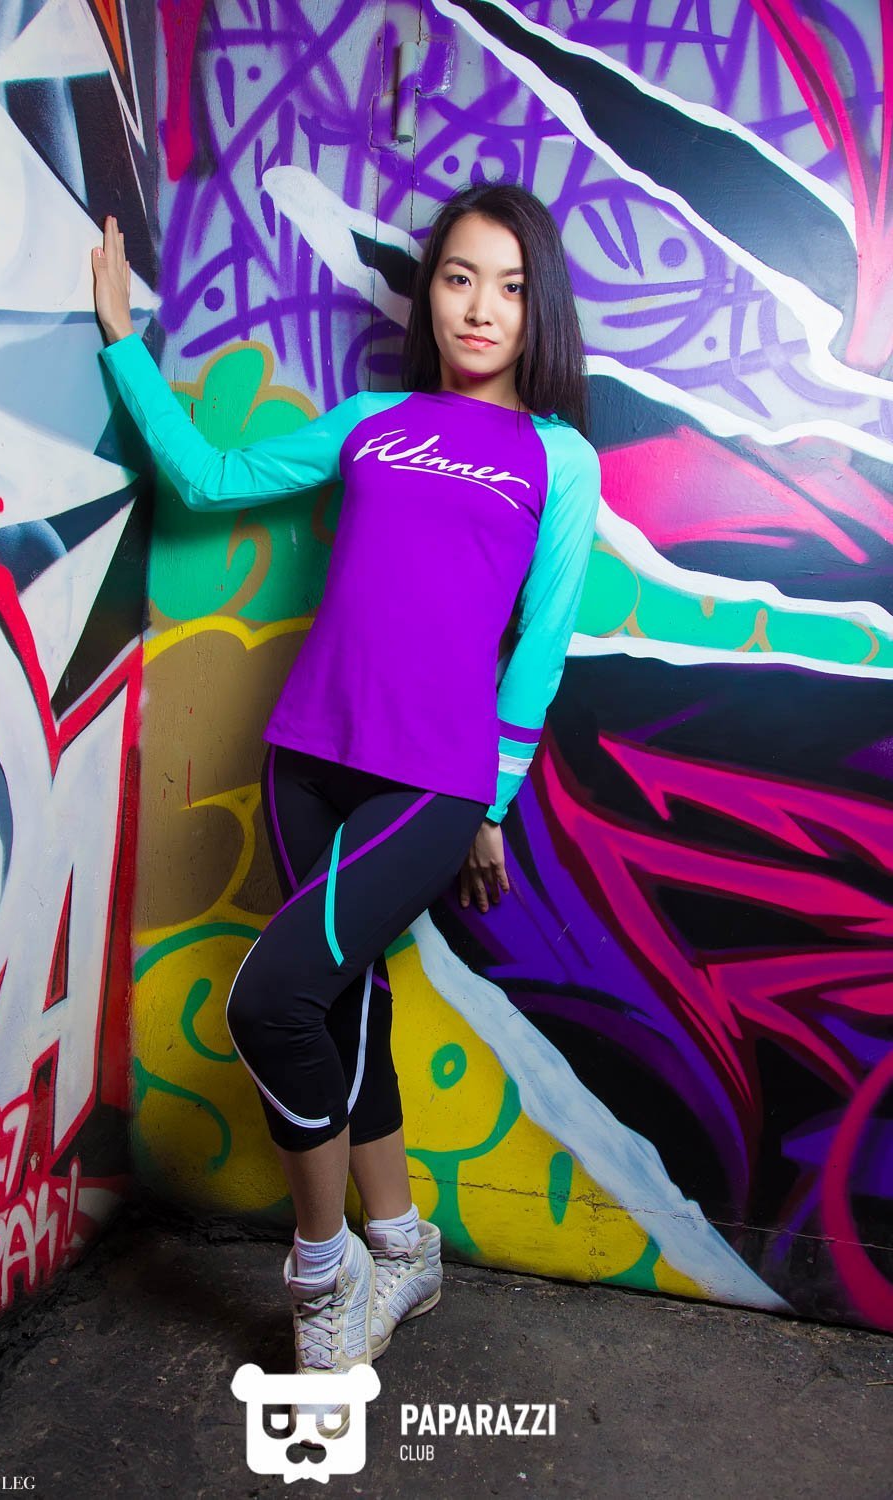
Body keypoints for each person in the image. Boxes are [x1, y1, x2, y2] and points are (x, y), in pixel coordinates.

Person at [92, 182, 600, 1435]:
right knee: (338, 1004)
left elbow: (540, 646)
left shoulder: (559, 459)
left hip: (432, 779)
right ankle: (402, 1245)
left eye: (510, 287)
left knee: (268, 1002)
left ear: (538, 309)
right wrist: (120, 342)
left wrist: (491, 803)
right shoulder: (373, 421)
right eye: (458, 278)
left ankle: (323, 1278)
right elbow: (209, 477)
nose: (480, 308)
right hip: (305, 753)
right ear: (427, 295)